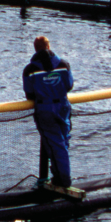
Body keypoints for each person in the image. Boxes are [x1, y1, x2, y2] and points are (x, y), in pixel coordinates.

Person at [22, 34, 80, 197]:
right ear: (49, 46)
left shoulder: (30, 69)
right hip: (63, 106)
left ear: (35, 49)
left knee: (55, 143)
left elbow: (29, 94)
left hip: (45, 109)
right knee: (63, 140)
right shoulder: (63, 64)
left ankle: (63, 180)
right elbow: (69, 86)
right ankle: (59, 175)